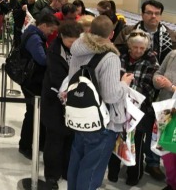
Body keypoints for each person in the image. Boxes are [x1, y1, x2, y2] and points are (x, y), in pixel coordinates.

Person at [67, 15, 134, 190]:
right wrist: (124, 84)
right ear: (111, 34)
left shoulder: (77, 51)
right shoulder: (110, 58)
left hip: (79, 115)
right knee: (92, 170)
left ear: (89, 31)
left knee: (76, 163)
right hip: (102, 122)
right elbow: (111, 95)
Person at [115, 0, 176, 180]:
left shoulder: (169, 36)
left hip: (162, 93)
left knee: (156, 132)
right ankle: (127, 160)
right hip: (135, 88)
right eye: (149, 12)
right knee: (131, 129)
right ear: (142, 14)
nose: (153, 16)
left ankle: (153, 163)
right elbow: (118, 53)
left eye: (157, 13)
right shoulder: (127, 31)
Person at [107, 30, 159, 186]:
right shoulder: (119, 57)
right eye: (135, 47)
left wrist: (128, 86)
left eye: (142, 48)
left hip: (140, 109)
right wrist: (123, 87)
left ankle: (134, 175)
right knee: (116, 139)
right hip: (118, 105)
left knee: (137, 142)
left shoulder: (151, 62)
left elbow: (151, 88)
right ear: (129, 46)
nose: (138, 51)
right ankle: (113, 173)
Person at [41, 21, 83, 189]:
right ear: (62, 37)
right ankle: (52, 175)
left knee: (70, 138)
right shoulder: (54, 51)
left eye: (76, 42)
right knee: (55, 140)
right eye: (70, 42)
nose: (73, 46)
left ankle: (67, 170)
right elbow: (57, 78)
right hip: (55, 102)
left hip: (74, 102)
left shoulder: (81, 49)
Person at [18, 14, 60, 160]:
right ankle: (25, 145)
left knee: (34, 113)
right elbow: (41, 60)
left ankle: (35, 142)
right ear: (44, 25)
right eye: (51, 30)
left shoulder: (32, 32)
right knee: (32, 114)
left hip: (32, 79)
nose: (51, 34)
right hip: (32, 81)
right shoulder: (35, 38)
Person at [153, 50, 176, 190]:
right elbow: (158, 72)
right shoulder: (173, 54)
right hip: (166, 110)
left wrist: (172, 87)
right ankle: (171, 183)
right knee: (166, 151)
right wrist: (157, 81)